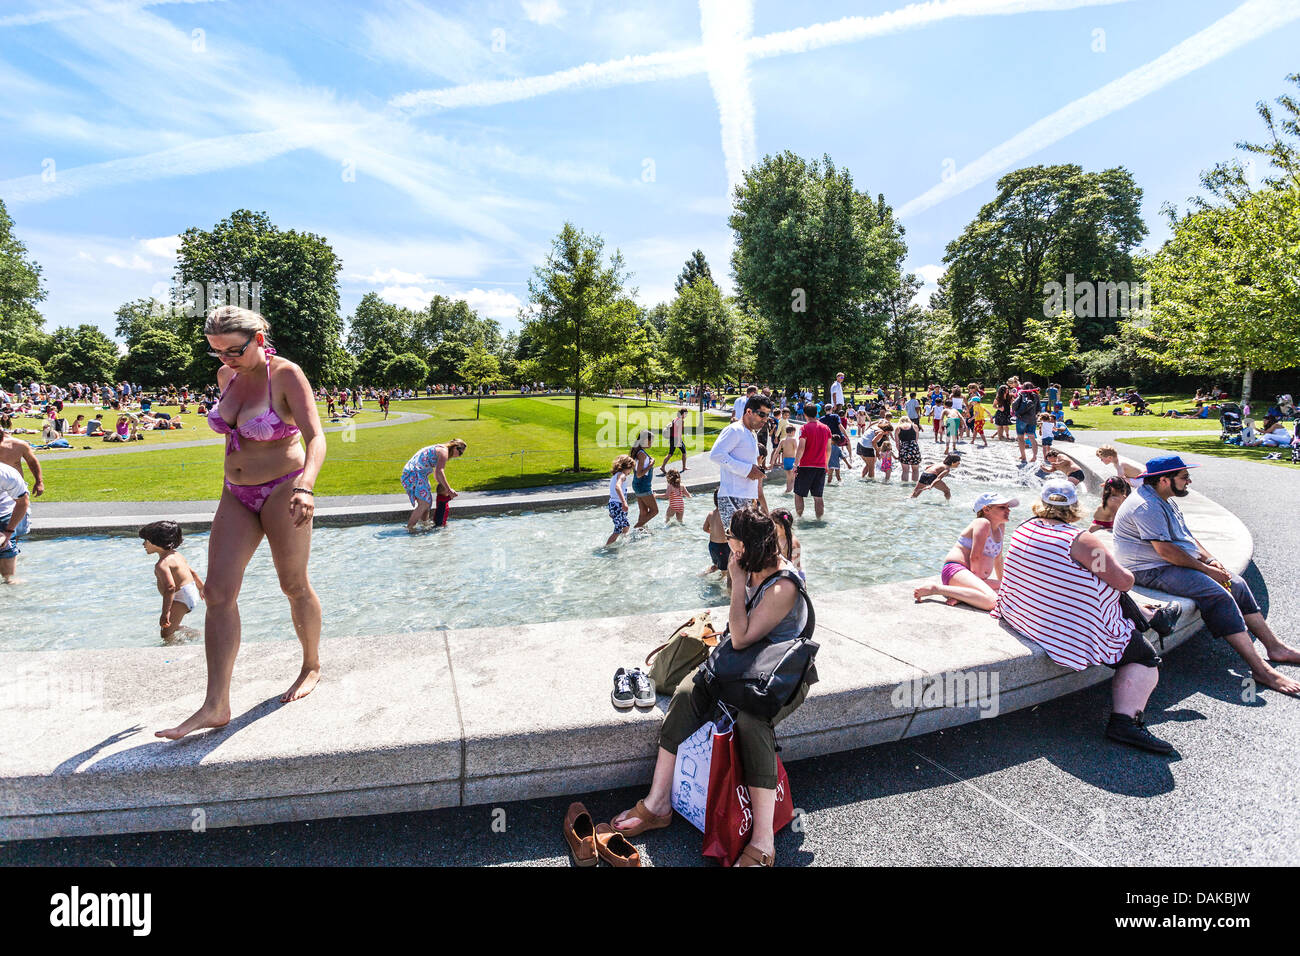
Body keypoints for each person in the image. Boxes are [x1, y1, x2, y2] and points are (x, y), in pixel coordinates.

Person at [157, 306, 327, 740]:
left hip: (283, 489)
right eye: (216, 352)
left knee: (293, 584)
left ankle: (311, 665)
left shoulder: (286, 375)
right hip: (235, 493)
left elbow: (316, 437)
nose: (226, 359)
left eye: (233, 350)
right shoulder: (226, 377)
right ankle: (216, 705)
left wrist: (306, 486)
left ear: (258, 338)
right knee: (216, 593)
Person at [610, 506, 815, 866]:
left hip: (779, 678)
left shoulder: (782, 584)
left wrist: (736, 582)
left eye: (731, 539)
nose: (726, 544)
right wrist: (738, 581)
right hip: (744, 668)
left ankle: (764, 840)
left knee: (752, 722)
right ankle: (658, 803)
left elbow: (740, 637)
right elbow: (740, 636)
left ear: (744, 544)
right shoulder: (749, 565)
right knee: (688, 692)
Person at [991, 480, 1173, 753]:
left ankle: (1150, 616)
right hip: (1064, 628)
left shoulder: (1024, 528)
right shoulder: (1079, 540)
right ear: (1074, 506)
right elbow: (1123, 582)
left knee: (1099, 589)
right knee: (1144, 657)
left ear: (1041, 504)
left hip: (1025, 614)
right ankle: (1125, 723)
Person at [1112, 454, 1300, 695]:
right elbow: (1166, 551)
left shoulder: (1164, 499)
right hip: (1148, 569)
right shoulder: (1146, 506)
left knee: (1237, 583)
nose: (1189, 481)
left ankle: (1276, 647)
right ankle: (1261, 670)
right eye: (1184, 477)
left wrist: (1211, 560)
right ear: (1164, 480)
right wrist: (1206, 570)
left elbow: (1187, 538)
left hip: (1167, 561)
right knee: (1217, 593)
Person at [914, 491, 1016, 610]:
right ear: (986, 510)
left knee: (1010, 591)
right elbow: (975, 557)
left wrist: (1001, 583)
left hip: (973, 578)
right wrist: (980, 583)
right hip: (956, 571)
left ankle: (962, 595)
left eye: (1008, 507)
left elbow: (998, 559)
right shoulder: (982, 523)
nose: (1008, 511)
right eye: (1002, 507)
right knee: (992, 601)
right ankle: (935, 589)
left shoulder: (1000, 527)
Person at [709, 394, 771, 533]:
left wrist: (754, 497)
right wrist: (747, 470)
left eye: (767, 415)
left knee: (746, 549)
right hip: (732, 495)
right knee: (738, 547)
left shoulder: (751, 433)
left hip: (746, 497)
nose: (765, 419)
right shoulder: (734, 430)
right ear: (749, 412)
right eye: (762, 414)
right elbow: (716, 455)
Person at [140, 520, 206, 643]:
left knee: (166, 633)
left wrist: (165, 613)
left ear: (156, 542)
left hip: (181, 597)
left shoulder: (162, 564)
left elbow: (170, 588)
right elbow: (191, 572)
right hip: (190, 592)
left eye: (146, 541)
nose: (143, 544)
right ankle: (190, 633)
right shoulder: (176, 554)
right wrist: (201, 587)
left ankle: (191, 636)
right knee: (170, 628)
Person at [402, 440, 467, 532]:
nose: (459, 456)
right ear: (455, 447)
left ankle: (425, 524)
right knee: (424, 503)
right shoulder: (444, 452)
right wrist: (448, 490)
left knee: (427, 501)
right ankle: (410, 528)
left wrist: (443, 486)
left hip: (416, 473)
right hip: (415, 473)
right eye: (460, 453)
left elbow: (437, 474)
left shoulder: (440, 449)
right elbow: (440, 471)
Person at [793, 402, 831, 519]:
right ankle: (819, 520)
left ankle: (799, 518)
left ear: (804, 414)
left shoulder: (804, 428)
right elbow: (828, 449)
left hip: (805, 466)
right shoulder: (826, 428)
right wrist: (826, 464)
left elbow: (801, 448)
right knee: (818, 496)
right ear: (817, 413)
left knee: (799, 494)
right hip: (820, 467)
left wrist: (795, 464)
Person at [0, 460, 31, 584]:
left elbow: (22, 502)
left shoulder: (6, 474)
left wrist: (8, 532)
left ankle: (9, 582)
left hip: (5, 511)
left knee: (5, 546)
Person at [0, 425, 45, 498]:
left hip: (15, 490)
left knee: (21, 507)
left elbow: (32, 462)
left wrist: (39, 482)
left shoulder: (18, 445)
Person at [628, 430, 659, 530]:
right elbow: (639, 474)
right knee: (655, 511)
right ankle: (637, 527)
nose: (652, 443)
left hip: (638, 485)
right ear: (645, 440)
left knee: (644, 512)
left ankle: (640, 531)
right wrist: (650, 465)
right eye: (651, 440)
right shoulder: (641, 454)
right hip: (643, 485)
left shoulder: (638, 452)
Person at [605, 454, 634, 547]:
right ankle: (606, 547)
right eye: (631, 469)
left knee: (626, 526)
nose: (631, 471)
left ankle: (623, 543)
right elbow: (617, 487)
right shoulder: (622, 475)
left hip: (614, 504)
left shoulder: (616, 475)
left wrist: (612, 510)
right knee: (618, 529)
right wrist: (624, 502)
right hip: (618, 504)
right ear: (627, 467)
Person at [702, 489, 730, 582]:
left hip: (712, 546)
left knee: (717, 565)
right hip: (722, 547)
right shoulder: (725, 515)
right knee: (725, 570)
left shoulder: (711, 514)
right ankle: (720, 582)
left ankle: (703, 574)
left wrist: (714, 532)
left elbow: (705, 528)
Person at [769, 507, 804, 581]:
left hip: (794, 575)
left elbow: (796, 565)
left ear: (781, 526)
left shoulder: (793, 543)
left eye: (773, 524)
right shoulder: (777, 536)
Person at [1012, 382, 1041, 464]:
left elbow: (1014, 406)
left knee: (1020, 438)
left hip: (1021, 419)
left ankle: (1023, 456)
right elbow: (1039, 409)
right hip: (1032, 420)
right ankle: (1034, 456)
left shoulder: (1021, 395)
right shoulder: (1036, 396)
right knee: (1032, 438)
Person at [659, 408, 689, 474]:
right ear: (683, 414)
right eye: (685, 414)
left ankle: (663, 466)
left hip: (672, 438)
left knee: (670, 454)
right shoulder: (681, 420)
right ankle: (683, 467)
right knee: (684, 452)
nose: (686, 415)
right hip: (677, 438)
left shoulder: (675, 419)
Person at [894, 415, 922, 484]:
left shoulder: (898, 428)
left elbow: (897, 443)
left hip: (904, 449)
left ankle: (904, 487)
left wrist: (900, 452)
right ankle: (914, 485)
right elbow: (916, 440)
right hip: (914, 449)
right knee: (915, 470)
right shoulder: (915, 426)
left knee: (905, 471)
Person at [774, 424, 799, 494]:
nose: (794, 434)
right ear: (792, 432)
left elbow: (777, 452)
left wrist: (773, 462)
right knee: (794, 478)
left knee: (788, 478)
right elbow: (797, 451)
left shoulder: (782, 440)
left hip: (785, 461)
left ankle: (786, 491)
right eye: (794, 432)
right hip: (792, 460)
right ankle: (791, 491)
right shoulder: (793, 440)